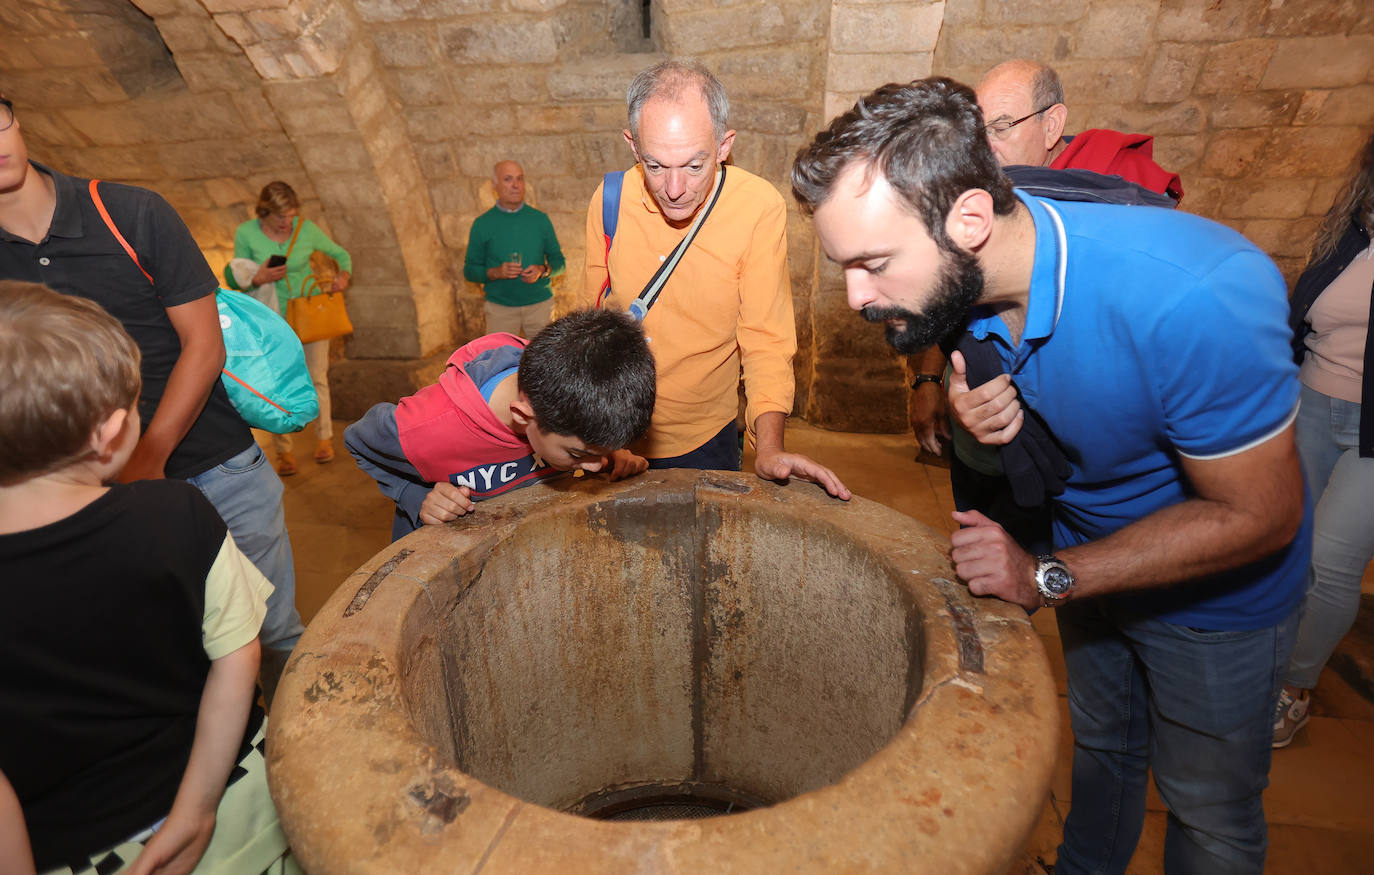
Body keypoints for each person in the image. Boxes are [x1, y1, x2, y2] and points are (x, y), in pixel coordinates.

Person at [792, 78, 1311, 874]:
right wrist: (970, 388)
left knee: (1209, 809)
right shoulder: (975, 257)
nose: (858, 296)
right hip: (1088, 552)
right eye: (845, 266)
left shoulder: (1195, 298)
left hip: (1216, 602)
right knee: (1103, 747)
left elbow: (1261, 514)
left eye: (874, 263)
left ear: (968, 219)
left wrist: (1050, 573)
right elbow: (981, 333)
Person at [0, 97, 303, 703]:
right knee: (174, 659)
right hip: (85, 498)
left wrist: (149, 456)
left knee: (275, 640)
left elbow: (203, 345)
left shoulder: (130, 213)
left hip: (219, 470)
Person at [0, 282, 290, 873]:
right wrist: (197, 810)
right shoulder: (176, 514)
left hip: (76, 845)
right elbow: (237, 658)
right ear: (110, 433)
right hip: (237, 810)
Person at [584, 59, 850, 500]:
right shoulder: (610, 199)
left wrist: (769, 448)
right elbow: (589, 319)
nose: (673, 188)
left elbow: (766, 339)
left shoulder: (757, 208)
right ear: (633, 146)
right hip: (613, 432)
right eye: (654, 165)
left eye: (693, 165)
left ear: (724, 145)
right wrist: (590, 435)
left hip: (707, 437)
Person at [908, 58, 1184, 462]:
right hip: (981, 400)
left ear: (1052, 124)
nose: (986, 146)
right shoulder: (979, 185)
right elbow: (953, 292)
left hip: (1087, 419)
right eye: (979, 131)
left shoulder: (1119, 185)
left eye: (1002, 127)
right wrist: (929, 379)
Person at [345, 308, 656, 541]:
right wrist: (413, 495)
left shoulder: (562, 386)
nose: (592, 466)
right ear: (522, 416)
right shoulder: (426, 427)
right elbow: (358, 443)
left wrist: (609, 455)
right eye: (578, 455)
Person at [1273, 132, 1374, 749]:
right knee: (1286, 542)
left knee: (1330, 562)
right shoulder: (1351, 232)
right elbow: (1303, 314)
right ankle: (1265, 656)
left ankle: (1295, 688)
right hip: (1311, 401)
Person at [224, 180, 353, 477]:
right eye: (281, 217)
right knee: (276, 382)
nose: (287, 222)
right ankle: (284, 451)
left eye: (292, 215)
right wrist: (260, 276)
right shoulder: (246, 233)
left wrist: (343, 276)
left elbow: (341, 255)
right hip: (271, 320)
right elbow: (233, 277)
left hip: (309, 313)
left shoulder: (305, 229)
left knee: (317, 376)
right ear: (264, 212)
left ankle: (325, 438)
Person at [463, 160, 565, 338]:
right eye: (508, 179)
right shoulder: (482, 224)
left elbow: (559, 263)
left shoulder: (539, 219)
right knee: (500, 363)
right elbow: (470, 271)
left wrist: (543, 270)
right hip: (500, 309)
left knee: (545, 364)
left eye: (520, 179)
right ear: (494, 185)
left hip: (539, 307)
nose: (516, 185)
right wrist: (495, 272)